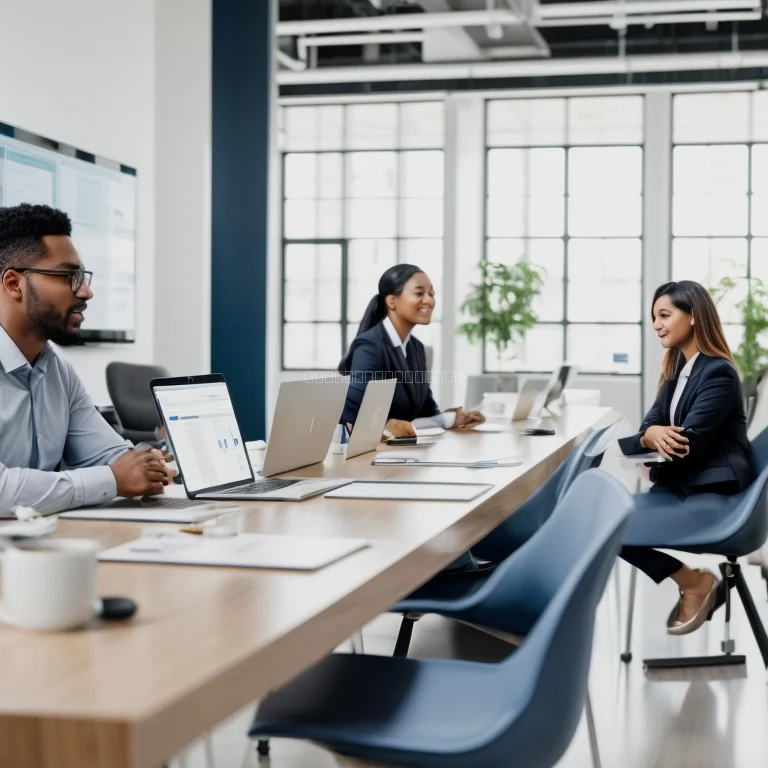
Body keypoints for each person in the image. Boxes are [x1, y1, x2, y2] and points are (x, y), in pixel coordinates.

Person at [0, 203, 170, 514]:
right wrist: (110, 479)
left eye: (82, 276)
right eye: (68, 276)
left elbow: (112, 457)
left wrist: (145, 465)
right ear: (14, 284)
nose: (86, 292)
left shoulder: (57, 370)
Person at [619, 280, 755, 636]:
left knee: (609, 526)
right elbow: (644, 433)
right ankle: (693, 581)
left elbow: (685, 446)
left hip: (716, 497)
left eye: (664, 315)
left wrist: (654, 446)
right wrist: (649, 435)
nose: (656, 325)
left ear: (693, 316)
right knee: (603, 519)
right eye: (654, 317)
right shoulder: (677, 371)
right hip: (684, 486)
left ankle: (694, 582)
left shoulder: (718, 372)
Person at [339, 264, 484, 437]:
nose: (429, 300)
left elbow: (426, 410)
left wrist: (454, 418)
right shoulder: (369, 347)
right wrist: (390, 426)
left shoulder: (416, 348)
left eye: (431, 294)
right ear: (392, 301)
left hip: (405, 451)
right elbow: (361, 417)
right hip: (366, 454)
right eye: (419, 293)